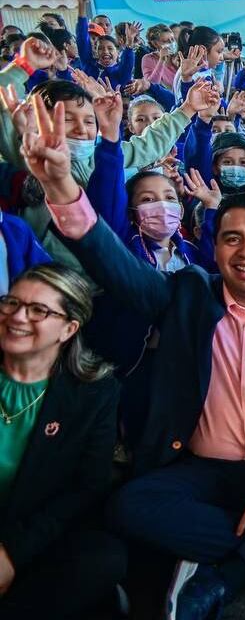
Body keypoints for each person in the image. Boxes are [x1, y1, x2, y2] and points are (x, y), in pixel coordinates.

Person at [21, 97, 245, 620]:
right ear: (214, 248)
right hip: (201, 471)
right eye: (232, 239)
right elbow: (112, 264)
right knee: (128, 506)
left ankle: (228, 572)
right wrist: (61, 186)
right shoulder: (187, 294)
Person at [0, 264, 125, 619]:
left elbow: (87, 488)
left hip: (30, 530)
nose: (17, 317)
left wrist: (12, 553)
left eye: (38, 310)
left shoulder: (95, 393)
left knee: (103, 558)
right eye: (11, 303)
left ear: (69, 329)